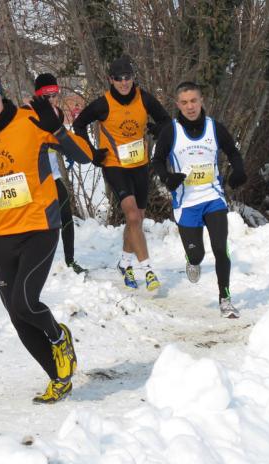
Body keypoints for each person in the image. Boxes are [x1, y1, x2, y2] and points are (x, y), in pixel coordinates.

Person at [0, 61, 93, 403]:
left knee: (25, 302)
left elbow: (85, 157)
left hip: (40, 225)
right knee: (17, 315)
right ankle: (59, 376)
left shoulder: (31, 120)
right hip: (2, 232)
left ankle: (60, 338)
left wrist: (58, 130)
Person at [73, 55, 171, 290]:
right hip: (115, 166)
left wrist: (156, 128)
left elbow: (166, 120)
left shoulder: (144, 98)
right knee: (134, 216)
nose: (124, 83)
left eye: (128, 77)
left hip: (139, 165)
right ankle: (147, 270)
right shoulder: (103, 104)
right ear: (111, 80)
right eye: (119, 79)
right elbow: (79, 124)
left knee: (136, 219)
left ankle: (125, 263)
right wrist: (92, 152)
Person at [152, 81, 247, 319]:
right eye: (184, 102)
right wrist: (168, 178)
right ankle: (191, 260)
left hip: (213, 197)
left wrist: (238, 170)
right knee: (198, 255)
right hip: (186, 203)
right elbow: (157, 160)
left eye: (194, 100)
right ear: (177, 104)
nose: (190, 106)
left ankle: (225, 299)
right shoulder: (171, 131)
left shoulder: (214, 128)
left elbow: (233, 151)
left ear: (201, 101)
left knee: (220, 248)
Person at [33, 73, 86, 274]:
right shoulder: (28, 115)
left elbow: (59, 140)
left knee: (65, 214)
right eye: (47, 96)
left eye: (55, 95)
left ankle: (70, 261)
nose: (52, 100)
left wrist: (68, 150)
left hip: (52, 176)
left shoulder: (58, 114)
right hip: (32, 179)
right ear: (38, 97)